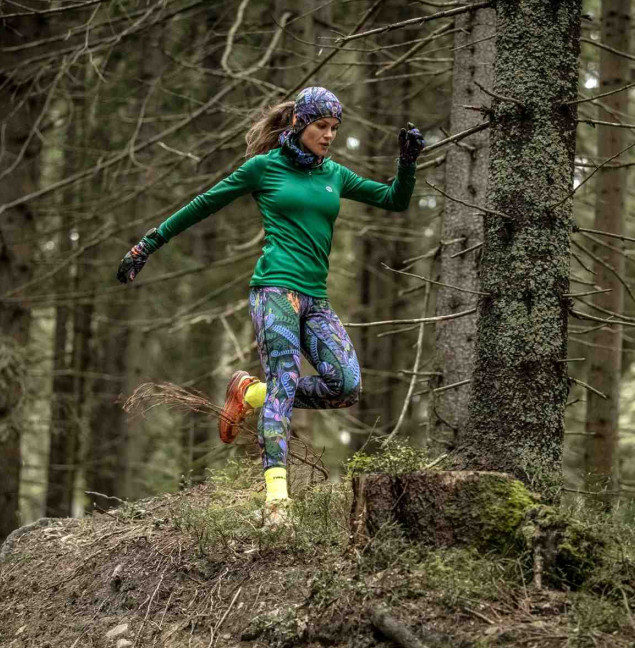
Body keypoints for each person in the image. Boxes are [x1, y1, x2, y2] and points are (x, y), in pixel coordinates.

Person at [115, 87, 424, 525]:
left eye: (335, 128)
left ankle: (250, 393)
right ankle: (277, 500)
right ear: (299, 123)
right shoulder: (264, 168)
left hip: (315, 300)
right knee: (286, 378)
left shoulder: (335, 174)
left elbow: (395, 199)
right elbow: (203, 205)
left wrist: (407, 164)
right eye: (321, 126)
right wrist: (147, 245)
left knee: (347, 386)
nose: (329, 136)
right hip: (274, 291)